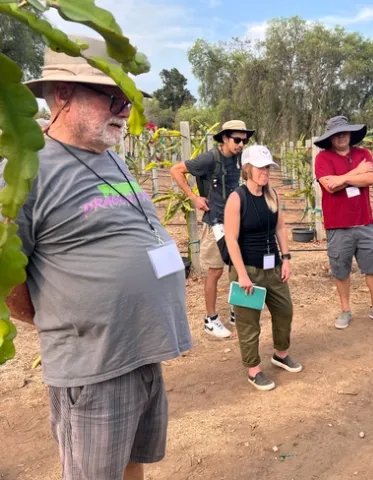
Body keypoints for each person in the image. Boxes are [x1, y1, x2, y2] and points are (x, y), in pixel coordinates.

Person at [4, 36, 192, 480]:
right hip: (95, 366)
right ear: (64, 94)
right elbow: (8, 275)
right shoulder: (26, 172)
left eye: (129, 99)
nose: (125, 110)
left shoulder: (111, 157)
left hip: (143, 350)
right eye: (114, 97)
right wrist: (70, 318)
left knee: (134, 463)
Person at [224, 145, 301, 391]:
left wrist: (286, 258)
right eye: (260, 167)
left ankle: (280, 353)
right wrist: (243, 275)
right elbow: (231, 239)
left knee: (284, 311)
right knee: (249, 322)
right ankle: (253, 369)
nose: (264, 172)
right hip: (248, 269)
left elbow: (279, 228)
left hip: (273, 267)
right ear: (247, 168)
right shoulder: (237, 198)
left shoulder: (273, 195)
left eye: (267, 167)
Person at [313, 116, 373, 329]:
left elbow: (369, 179)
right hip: (337, 224)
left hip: (364, 222)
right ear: (330, 138)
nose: (341, 136)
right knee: (340, 269)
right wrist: (355, 174)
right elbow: (328, 186)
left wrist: (341, 178)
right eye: (336, 134)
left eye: (344, 132)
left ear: (351, 134)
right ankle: (345, 310)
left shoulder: (364, 154)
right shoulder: (323, 158)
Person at [170, 120, 254, 339]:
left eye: (244, 141)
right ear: (225, 138)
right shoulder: (209, 158)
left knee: (238, 267)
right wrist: (194, 197)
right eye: (237, 140)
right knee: (215, 271)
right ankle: (211, 319)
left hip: (238, 221)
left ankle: (238, 310)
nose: (241, 144)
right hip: (216, 221)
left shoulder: (239, 158)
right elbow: (176, 170)